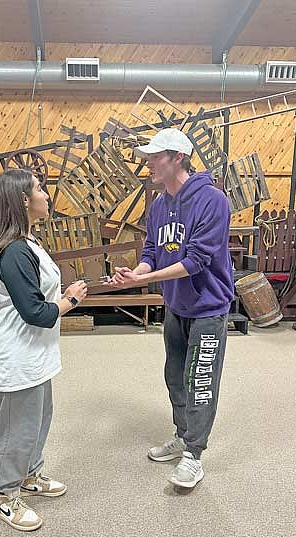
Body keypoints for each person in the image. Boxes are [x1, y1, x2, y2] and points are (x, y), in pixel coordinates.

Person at [110, 128, 234, 489]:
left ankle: (194, 455)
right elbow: (152, 252)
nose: (147, 163)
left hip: (208, 307)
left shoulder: (212, 201)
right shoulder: (160, 204)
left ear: (178, 157)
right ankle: (182, 435)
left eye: (154, 157)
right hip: (176, 305)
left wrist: (142, 282)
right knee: (175, 376)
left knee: (200, 381)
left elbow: (196, 260)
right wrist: (137, 272)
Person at [0, 168, 87, 530]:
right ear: (24, 200)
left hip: (35, 355)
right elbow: (36, 313)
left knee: (39, 420)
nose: (46, 194)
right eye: (40, 189)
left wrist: (62, 298)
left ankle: (30, 475)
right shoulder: (12, 252)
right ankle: (7, 496)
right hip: (16, 356)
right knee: (18, 428)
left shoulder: (29, 243)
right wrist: (70, 300)